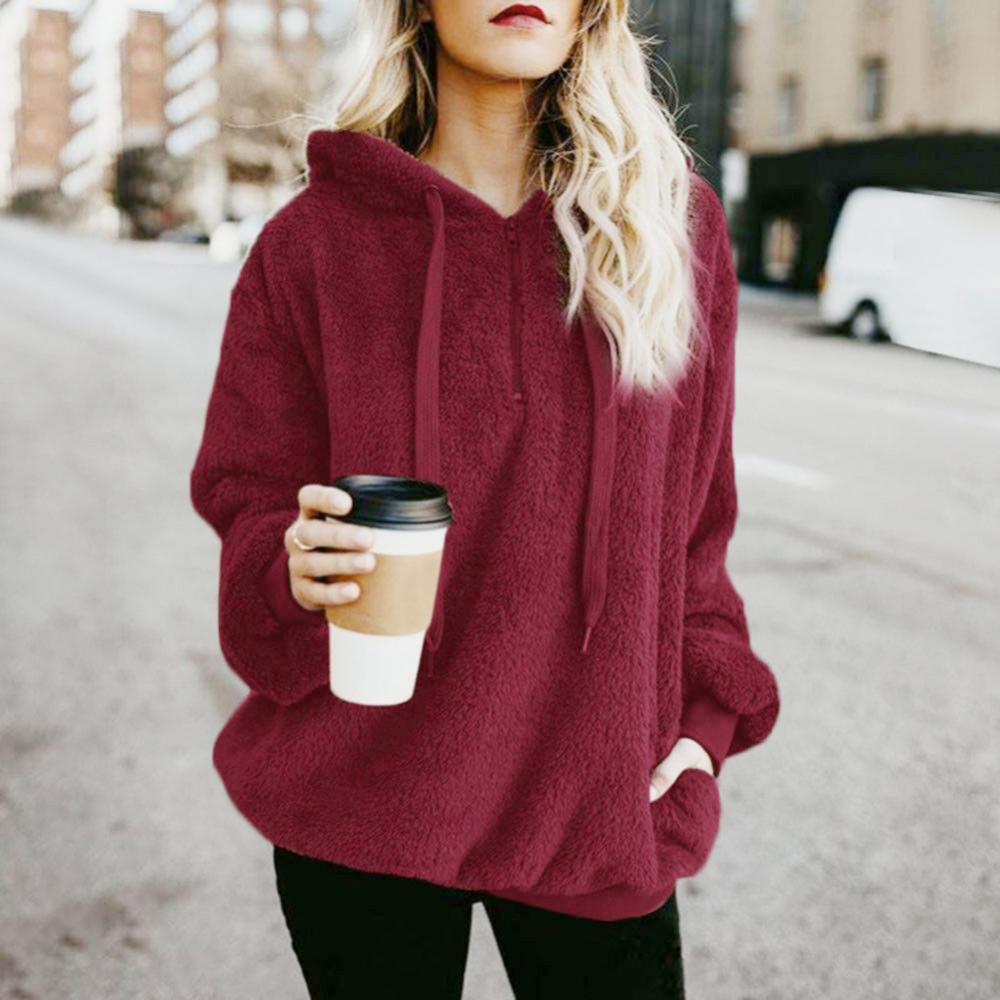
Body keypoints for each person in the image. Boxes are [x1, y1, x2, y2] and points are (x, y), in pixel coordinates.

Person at [188, 1, 781, 996]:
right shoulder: (313, 246)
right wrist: (289, 560)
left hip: (598, 808)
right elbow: (246, 495)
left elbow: (696, 525)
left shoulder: (669, 229)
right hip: (363, 805)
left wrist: (702, 729)